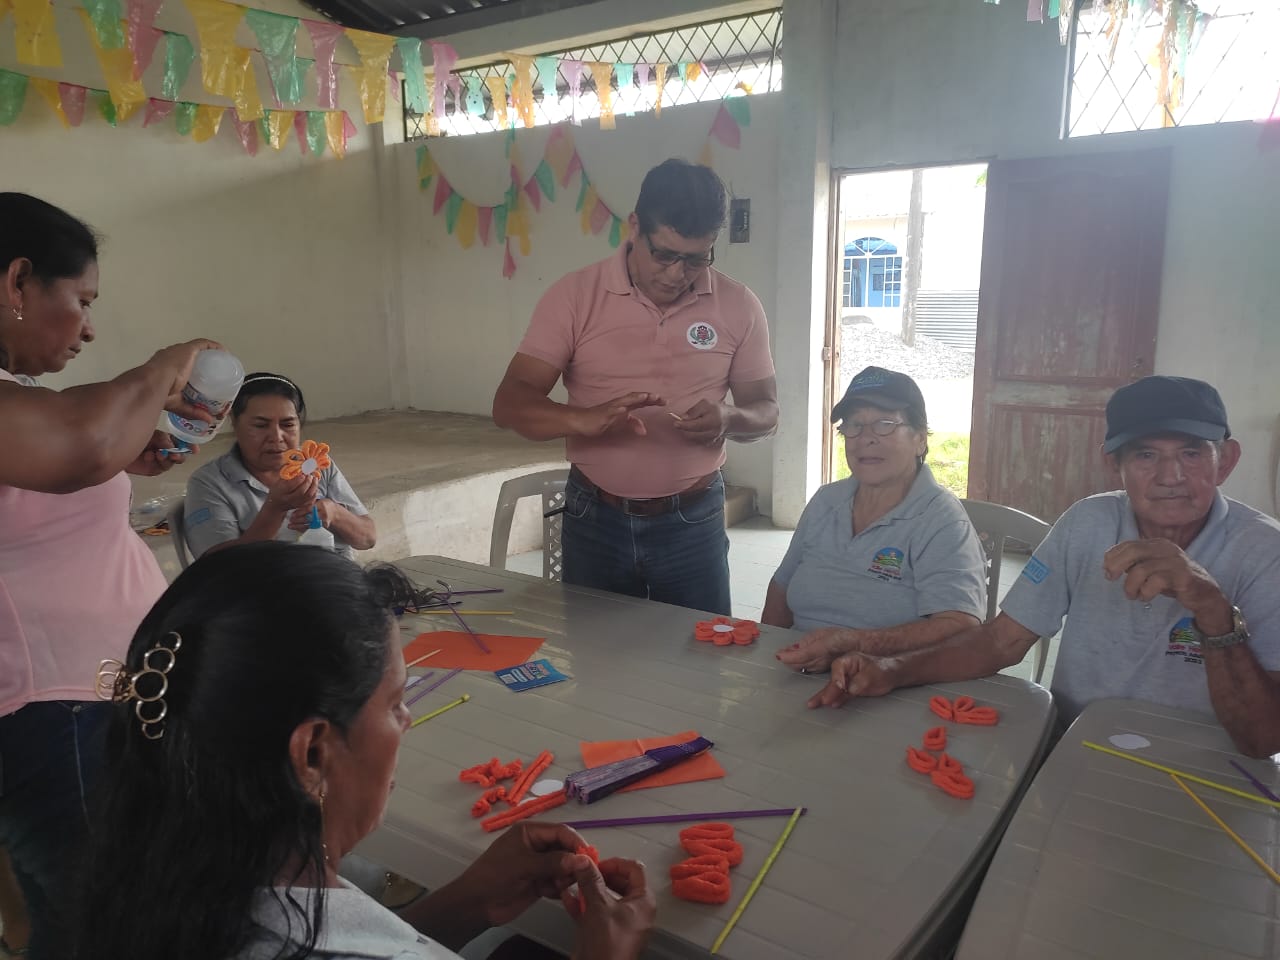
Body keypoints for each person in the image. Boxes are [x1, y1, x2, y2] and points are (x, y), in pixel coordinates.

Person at [74, 543, 656, 960]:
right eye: (395, 702)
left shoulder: (160, 876)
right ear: (312, 755)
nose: (407, 721)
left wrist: (470, 901)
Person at [807, 376, 1280, 758]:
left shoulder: (1265, 553)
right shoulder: (1088, 523)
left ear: (1225, 461)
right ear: (1114, 465)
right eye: (1146, 454)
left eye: (1191, 453)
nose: (1170, 476)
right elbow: (1001, 641)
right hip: (1073, 748)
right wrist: (892, 670)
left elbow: (1263, 739)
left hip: (1209, 767)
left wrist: (1212, 610)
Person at [0, 191, 218, 959]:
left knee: (72, 921)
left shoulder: (18, 400)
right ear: (16, 281)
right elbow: (82, 443)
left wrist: (125, 452)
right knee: (114, 928)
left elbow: (82, 454)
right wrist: (164, 369)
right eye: (82, 301)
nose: (89, 328)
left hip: (85, 703)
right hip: (55, 715)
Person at [492, 159, 778, 615]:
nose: (677, 274)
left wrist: (730, 418)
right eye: (664, 254)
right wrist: (582, 420)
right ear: (634, 227)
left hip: (693, 519)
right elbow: (509, 403)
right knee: (597, 652)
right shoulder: (574, 296)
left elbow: (766, 412)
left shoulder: (739, 305)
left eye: (696, 259)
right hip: (594, 517)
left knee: (697, 652)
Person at [770, 367, 986, 674]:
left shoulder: (941, 520)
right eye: (854, 425)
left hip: (889, 678)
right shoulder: (826, 501)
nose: (866, 439)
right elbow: (781, 587)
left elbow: (960, 626)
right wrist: (767, 663)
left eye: (885, 424)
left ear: (920, 439)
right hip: (798, 668)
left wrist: (855, 643)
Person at [184, 372, 376, 560]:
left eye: (288, 424)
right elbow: (217, 567)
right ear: (234, 422)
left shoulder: (317, 464)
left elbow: (368, 538)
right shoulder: (209, 483)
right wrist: (274, 509)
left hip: (337, 576)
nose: (276, 437)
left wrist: (334, 513)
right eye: (260, 425)